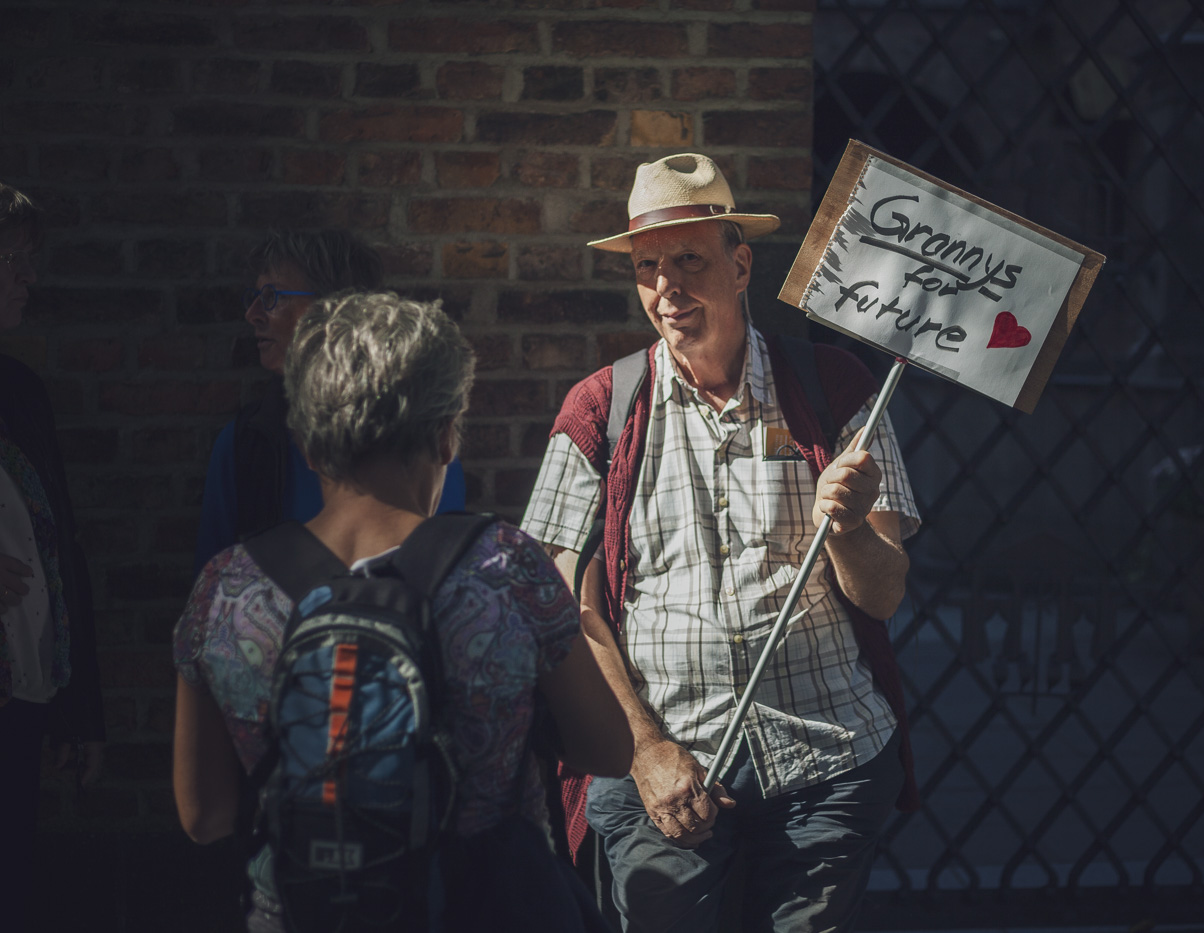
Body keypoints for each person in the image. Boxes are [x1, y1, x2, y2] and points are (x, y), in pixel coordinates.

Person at [521, 152, 922, 932]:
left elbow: (885, 592)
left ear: (741, 266)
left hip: (827, 759)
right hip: (667, 765)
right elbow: (564, 612)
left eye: (689, 260)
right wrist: (643, 748)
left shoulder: (835, 388)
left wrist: (845, 526)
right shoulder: (600, 409)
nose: (666, 284)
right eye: (647, 266)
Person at [172, 291, 632, 932]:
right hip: (484, 910)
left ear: (306, 443)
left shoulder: (226, 590)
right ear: (447, 434)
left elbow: (204, 817)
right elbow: (608, 750)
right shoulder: (508, 570)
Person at [193, 230, 467, 571]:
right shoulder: (243, 444)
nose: (253, 313)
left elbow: (447, 561)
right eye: (254, 296)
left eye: (271, 296)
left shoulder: (419, 429)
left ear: (336, 309)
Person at [0, 182, 104, 932]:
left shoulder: (21, 393)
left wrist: (79, 710)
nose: (28, 281)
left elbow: (59, 550)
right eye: (13, 263)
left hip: (22, 700)